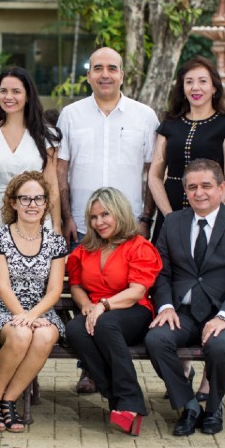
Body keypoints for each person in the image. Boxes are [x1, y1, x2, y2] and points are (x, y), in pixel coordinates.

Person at [56, 46, 159, 394]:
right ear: (88, 75)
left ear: (122, 75)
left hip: (130, 229)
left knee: (120, 297)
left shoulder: (144, 116)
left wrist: (145, 217)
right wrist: (66, 215)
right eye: (97, 67)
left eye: (111, 68)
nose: (104, 74)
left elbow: (152, 172)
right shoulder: (71, 115)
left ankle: (112, 366)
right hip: (83, 227)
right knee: (84, 293)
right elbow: (61, 168)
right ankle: (89, 367)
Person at [147, 55, 225, 401]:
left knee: (210, 280)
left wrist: (207, 208)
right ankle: (180, 365)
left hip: (214, 218)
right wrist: (172, 216)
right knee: (173, 279)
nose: (196, 88)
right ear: (182, 87)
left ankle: (207, 377)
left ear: (214, 85)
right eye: (189, 82)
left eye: (202, 81)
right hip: (171, 212)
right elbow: (154, 175)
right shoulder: (169, 124)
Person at [145, 159, 225, 436]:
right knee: (156, 339)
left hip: (224, 314)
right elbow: (160, 272)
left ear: (222, 188)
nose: (199, 193)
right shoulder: (173, 222)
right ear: (185, 191)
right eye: (192, 187)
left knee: (219, 348)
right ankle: (188, 405)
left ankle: (214, 406)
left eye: (207, 186)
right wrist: (166, 306)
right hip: (182, 314)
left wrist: (223, 317)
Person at [64, 187, 162, 436]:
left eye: (105, 214)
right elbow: (75, 285)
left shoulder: (138, 246)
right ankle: (121, 402)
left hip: (132, 312)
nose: (99, 222)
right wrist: (86, 304)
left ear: (119, 212)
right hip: (97, 311)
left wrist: (103, 305)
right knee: (75, 329)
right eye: (94, 217)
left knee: (106, 324)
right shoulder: (86, 248)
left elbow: (137, 292)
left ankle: (129, 399)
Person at [0, 171, 66, 433]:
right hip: (3, 310)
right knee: (20, 335)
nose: (32, 204)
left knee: (43, 336)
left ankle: (9, 400)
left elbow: (54, 290)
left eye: (38, 199)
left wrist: (33, 315)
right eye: (25, 198)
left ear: (46, 204)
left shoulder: (55, 241)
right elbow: (2, 285)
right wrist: (23, 317)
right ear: (13, 203)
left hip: (42, 310)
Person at [0, 67, 62, 286]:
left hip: (35, 214)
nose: (8, 97)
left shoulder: (46, 135)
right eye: (3, 91)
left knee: (33, 282)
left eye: (16, 91)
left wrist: (56, 226)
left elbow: (51, 185)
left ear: (28, 95)